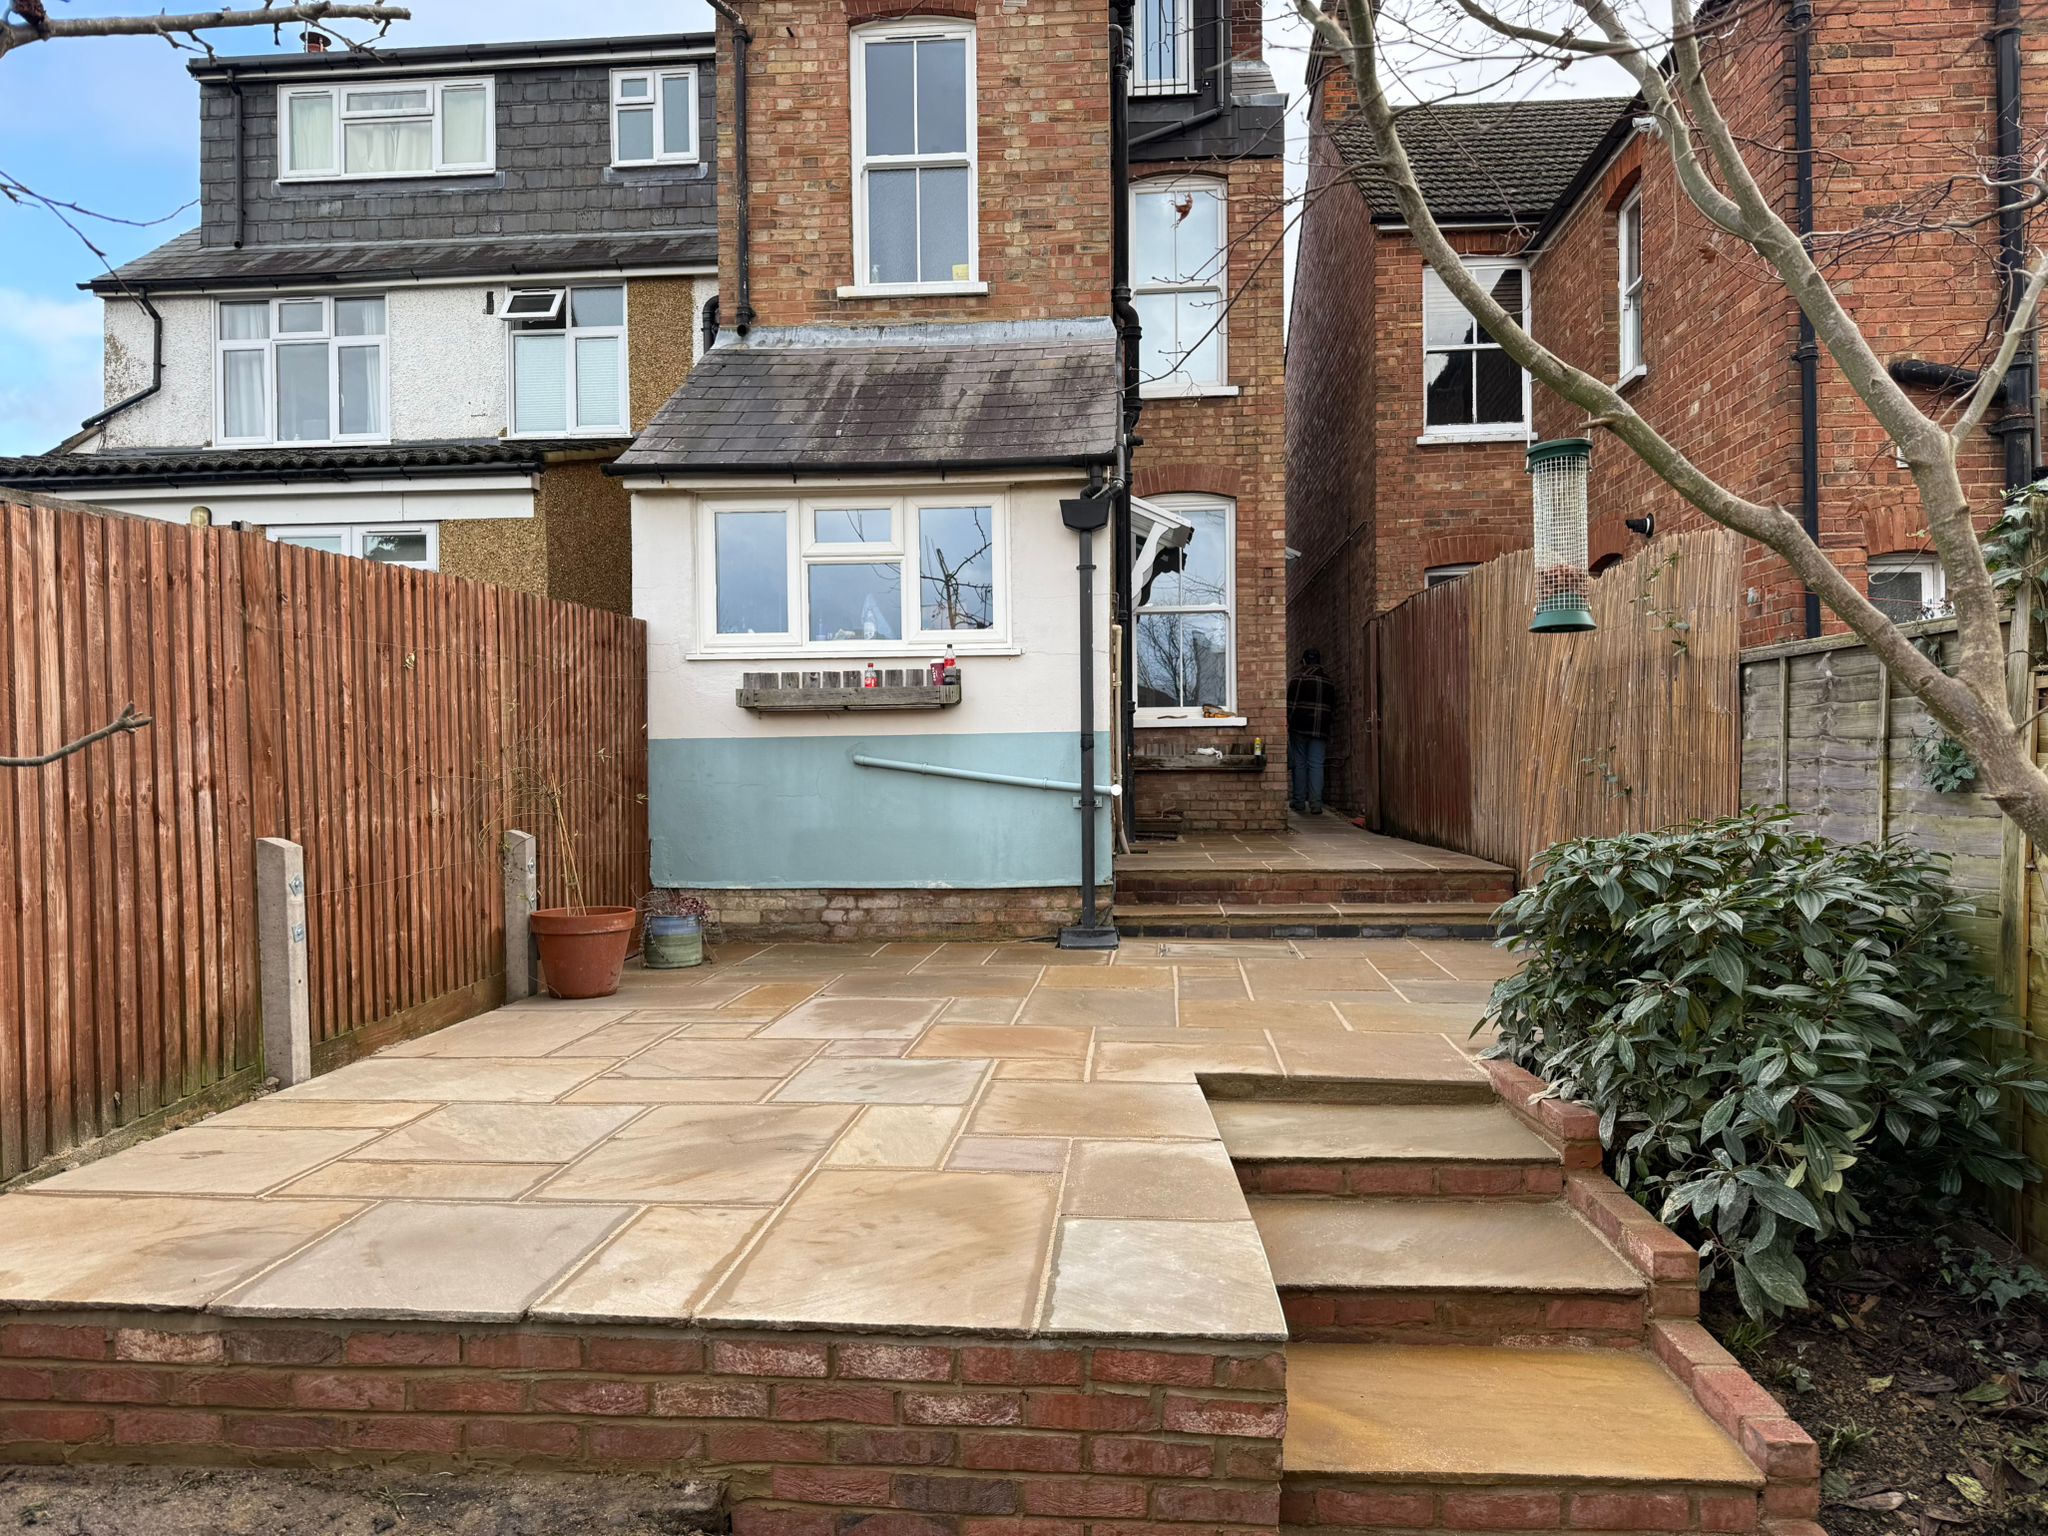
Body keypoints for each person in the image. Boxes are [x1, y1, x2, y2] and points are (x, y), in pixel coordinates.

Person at [1287, 648, 1335, 815]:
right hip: (1320, 729)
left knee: (1299, 764)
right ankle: (1316, 804)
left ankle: (1299, 802)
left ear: (1304, 661)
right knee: (1316, 764)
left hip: (1299, 728)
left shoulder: (1297, 679)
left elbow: (1290, 706)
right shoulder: (1328, 682)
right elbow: (1332, 708)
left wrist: (1289, 723)